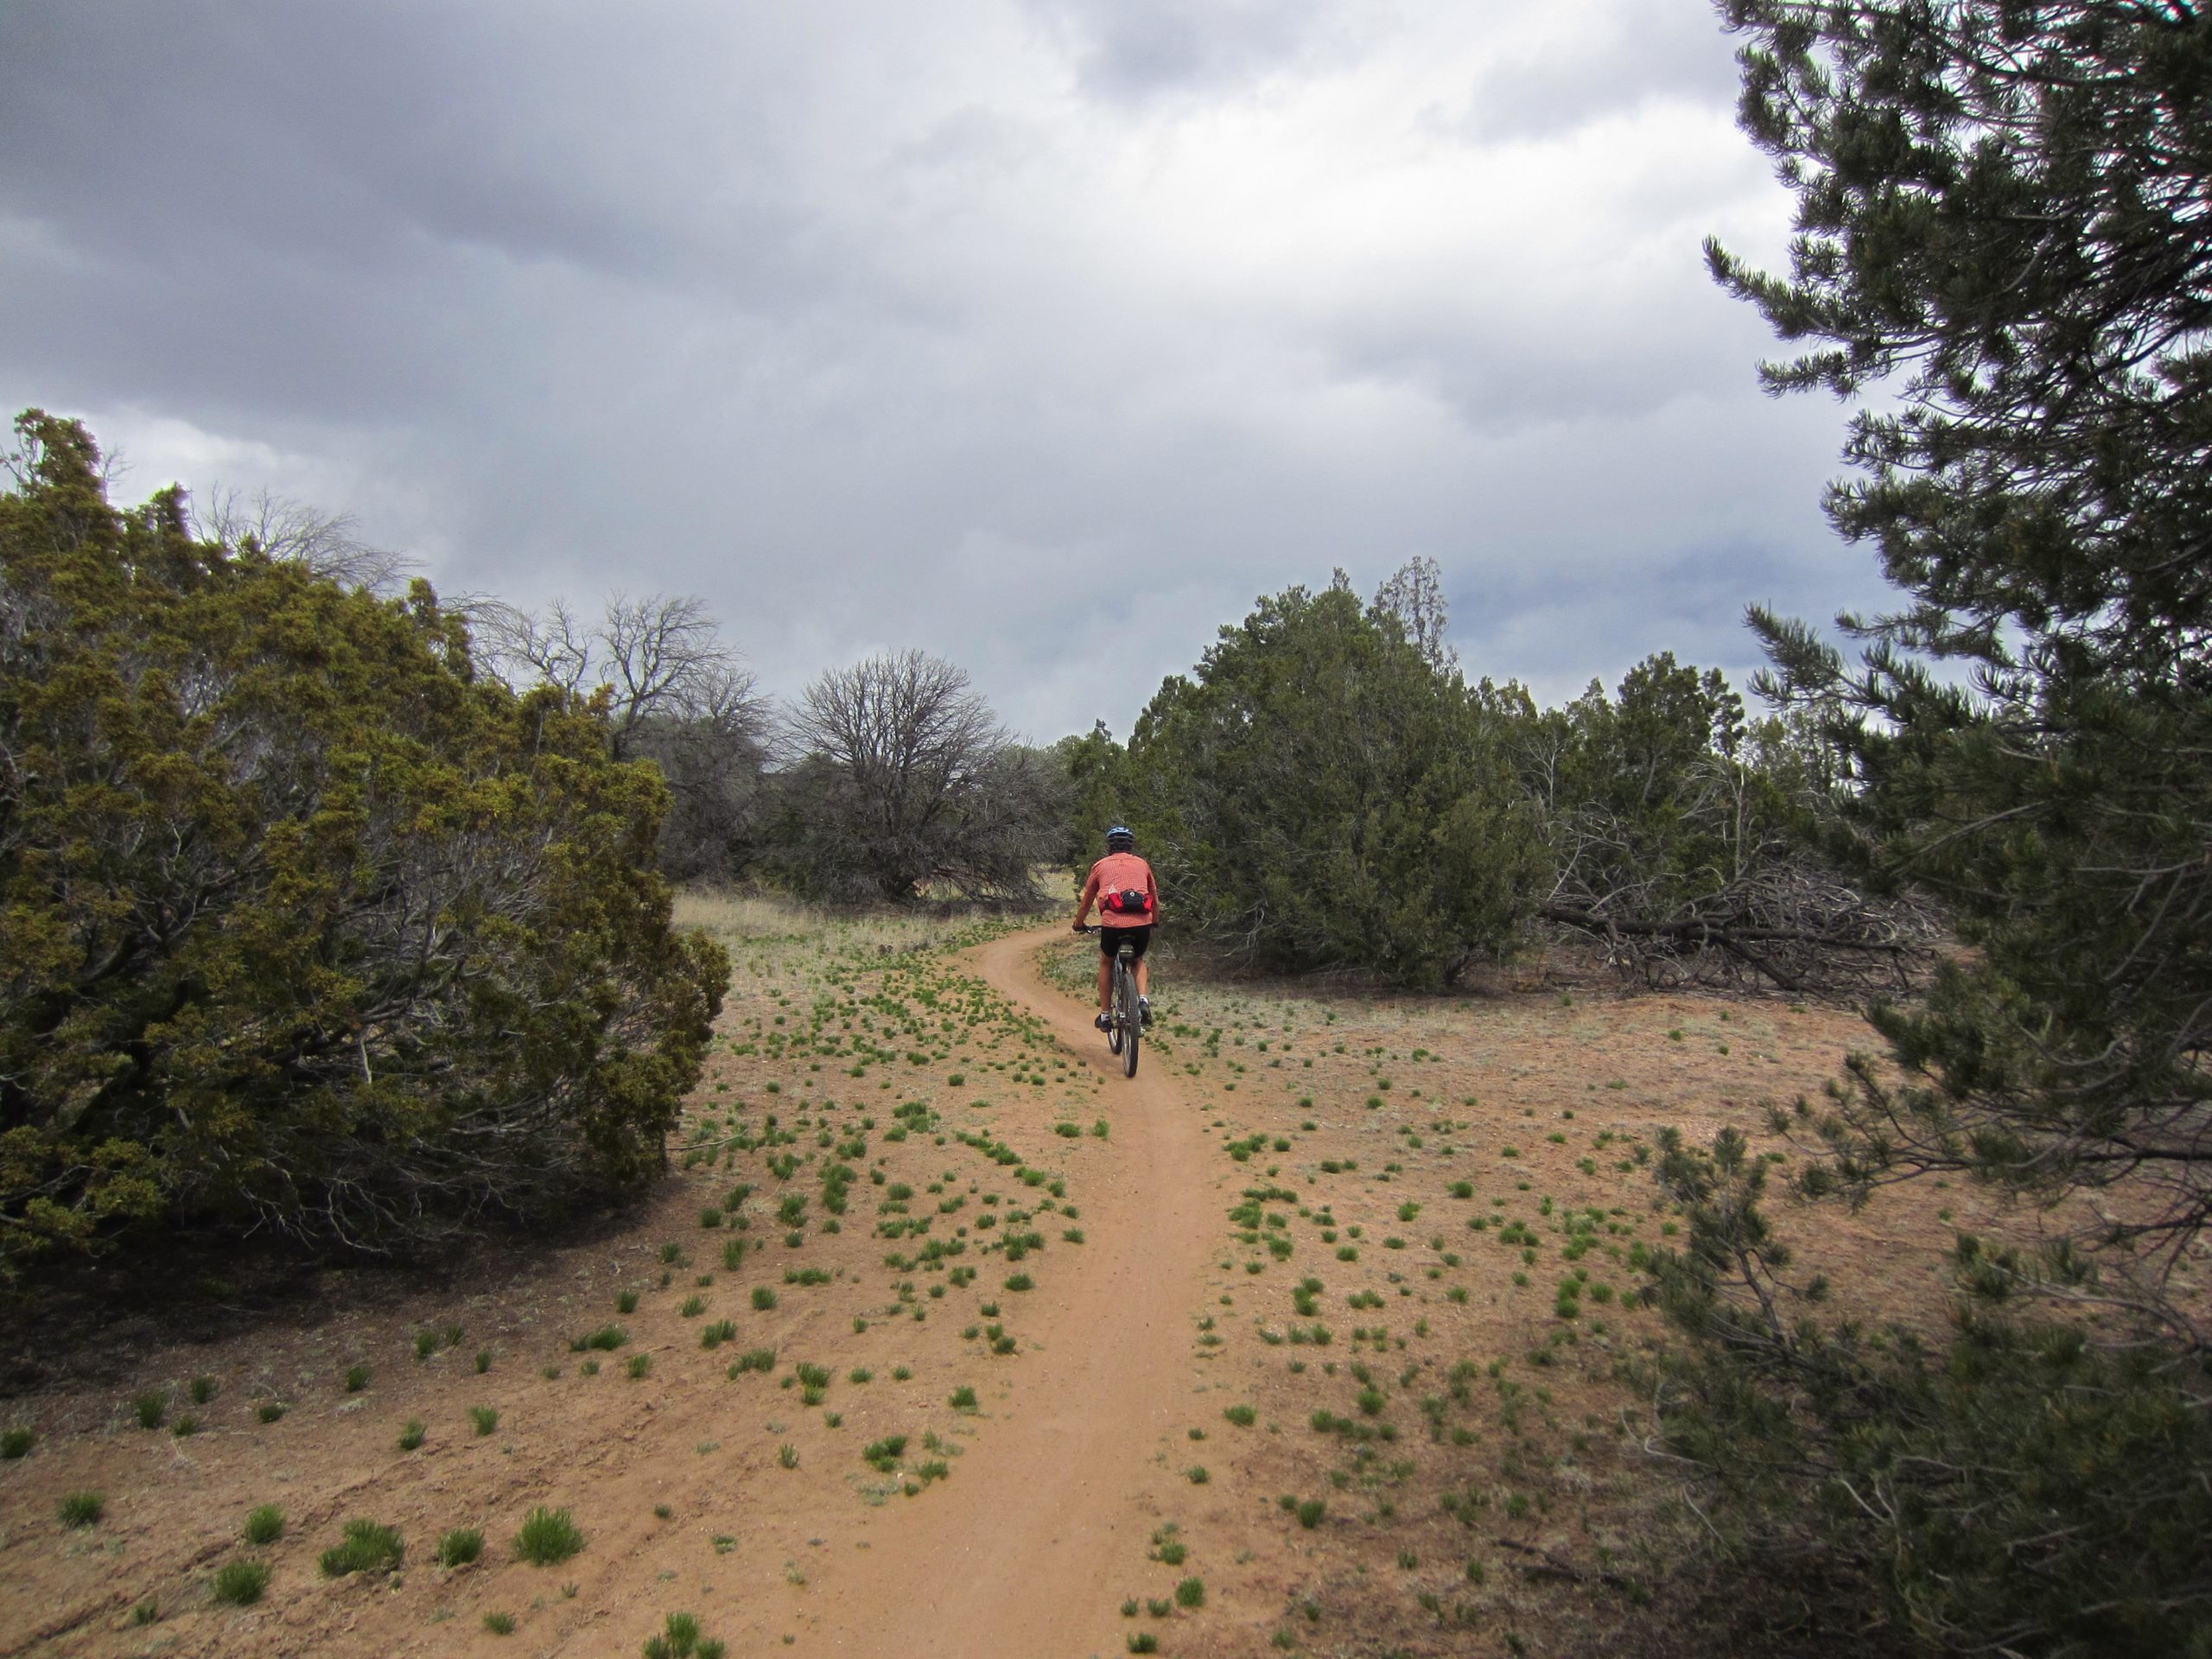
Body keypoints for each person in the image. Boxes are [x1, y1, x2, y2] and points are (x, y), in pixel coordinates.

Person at [1072, 824, 1158, 1031]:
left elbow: (1087, 900)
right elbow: (1154, 898)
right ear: (1131, 846)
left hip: (1113, 924)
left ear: (1109, 846)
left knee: (1106, 962)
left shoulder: (1100, 865)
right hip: (1141, 924)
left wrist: (1079, 924)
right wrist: (1154, 920)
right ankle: (1143, 1001)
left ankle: (1105, 1015)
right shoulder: (1142, 864)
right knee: (1138, 961)